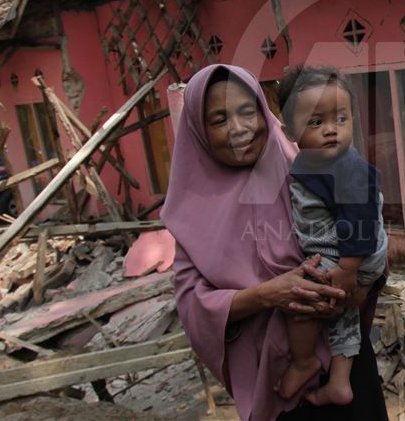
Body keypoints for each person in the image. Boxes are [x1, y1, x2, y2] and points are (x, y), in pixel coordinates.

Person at [161, 64, 388, 421]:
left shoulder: (308, 169)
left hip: (342, 365)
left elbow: (369, 237)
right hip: (274, 379)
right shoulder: (192, 214)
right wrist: (267, 294)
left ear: (266, 114)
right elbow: (193, 305)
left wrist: (354, 287)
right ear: (198, 131)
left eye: (248, 112)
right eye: (219, 120)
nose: (240, 129)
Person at [276, 66, 388, 406]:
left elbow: (360, 218)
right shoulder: (315, 163)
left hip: (350, 255)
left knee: (302, 302)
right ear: (290, 130)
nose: (331, 131)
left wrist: (349, 270)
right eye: (315, 122)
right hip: (349, 255)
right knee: (343, 313)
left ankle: (304, 360)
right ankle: (340, 381)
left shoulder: (343, 166)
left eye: (341, 119)